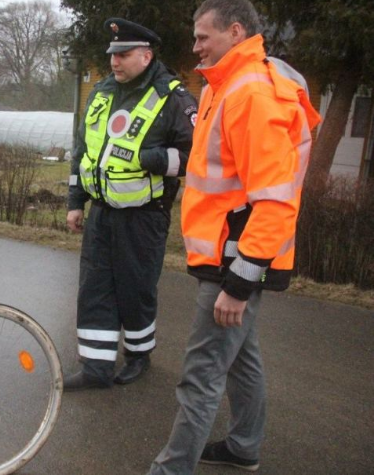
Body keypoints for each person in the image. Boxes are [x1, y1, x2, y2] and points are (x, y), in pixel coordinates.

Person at [149, 0, 321, 473]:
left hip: (235, 262)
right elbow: (220, 174)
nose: (195, 46)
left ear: (235, 31)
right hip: (227, 254)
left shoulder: (250, 94)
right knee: (241, 359)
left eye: (204, 36)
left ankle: (170, 470)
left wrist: (239, 283)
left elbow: (275, 199)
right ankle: (244, 446)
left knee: (201, 374)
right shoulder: (224, 87)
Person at [64, 18, 198, 391]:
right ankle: (96, 367)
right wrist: (76, 202)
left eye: (123, 55)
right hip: (102, 213)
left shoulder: (173, 97)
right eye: (112, 55)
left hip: (144, 217)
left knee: (135, 289)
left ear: (146, 55)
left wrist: (155, 159)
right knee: (94, 288)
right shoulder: (102, 92)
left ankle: (139, 355)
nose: (114, 62)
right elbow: (83, 153)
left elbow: (196, 157)